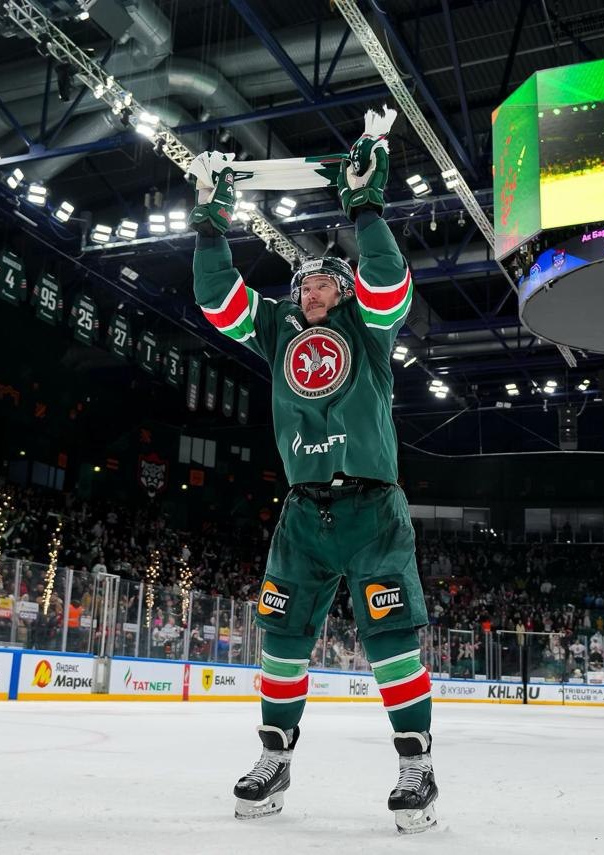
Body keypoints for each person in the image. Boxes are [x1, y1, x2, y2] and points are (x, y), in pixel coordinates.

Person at [190, 116, 436, 833]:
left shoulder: (369, 329)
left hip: (372, 511)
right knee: (284, 638)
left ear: (343, 292)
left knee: (390, 640)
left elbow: (389, 282)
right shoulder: (277, 330)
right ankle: (275, 757)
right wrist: (211, 226)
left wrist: (366, 209)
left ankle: (417, 768)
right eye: (306, 283)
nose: (313, 290)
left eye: (327, 282)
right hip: (303, 514)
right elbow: (217, 297)